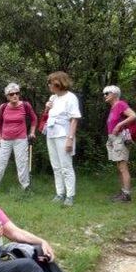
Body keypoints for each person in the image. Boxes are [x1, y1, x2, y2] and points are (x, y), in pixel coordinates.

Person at [42, 71, 82, 206]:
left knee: (66, 166)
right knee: (56, 166)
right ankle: (60, 193)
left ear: (58, 83)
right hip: (51, 135)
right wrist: (47, 108)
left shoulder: (71, 98)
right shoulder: (53, 98)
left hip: (64, 135)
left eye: (50, 83)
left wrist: (70, 139)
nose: (49, 85)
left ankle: (70, 195)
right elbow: (47, 117)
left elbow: (74, 119)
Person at [0, 82, 38, 192]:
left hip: (21, 139)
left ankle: (25, 187)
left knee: (22, 164)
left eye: (17, 93)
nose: (15, 96)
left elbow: (34, 119)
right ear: (7, 96)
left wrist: (32, 132)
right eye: (11, 94)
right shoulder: (3, 107)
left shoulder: (25, 105)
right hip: (5, 140)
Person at [103, 85, 136, 202]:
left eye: (107, 93)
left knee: (123, 167)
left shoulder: (120, 104)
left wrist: (119, 125)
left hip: (120, 139)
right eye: (104, 93)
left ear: (114, 94)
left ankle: (127, 195)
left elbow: (133, 116)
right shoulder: (113, 107)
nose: (105, 95)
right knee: (119, 167)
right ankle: (123, 192)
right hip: (113, 139)